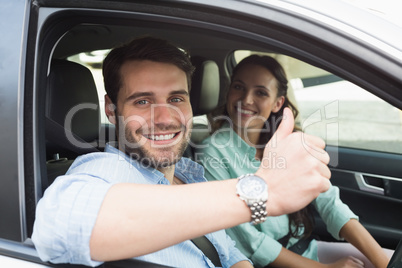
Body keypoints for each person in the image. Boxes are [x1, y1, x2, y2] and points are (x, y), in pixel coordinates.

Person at [32, 37, 331, 268]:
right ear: (112, 110)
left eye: (176, 98)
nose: (164, 117)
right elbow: (61, 227)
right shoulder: (106, 170)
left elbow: (229, 253)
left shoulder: (191, 176)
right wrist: (263, 192)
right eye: (142, 102)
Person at [195, 54, 392, 268]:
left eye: (260, 92)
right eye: (239, 87)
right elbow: (248, 242)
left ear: (277, 103)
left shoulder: (285, 142)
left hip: (307, 249)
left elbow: (330, 203)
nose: (246, 99)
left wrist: (381, 262)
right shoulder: (213, 154)